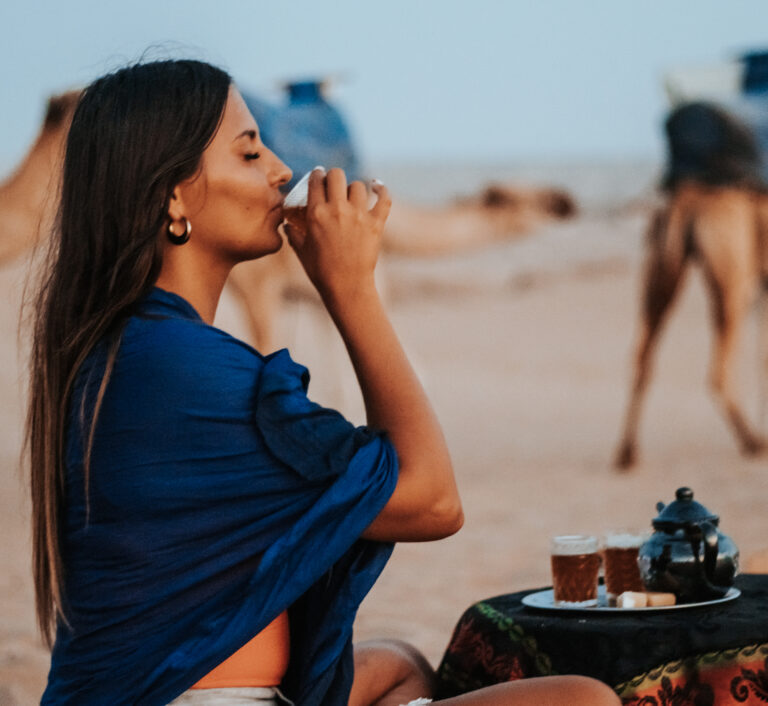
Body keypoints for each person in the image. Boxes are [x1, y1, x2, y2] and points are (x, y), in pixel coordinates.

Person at [26, 59, 620, 706]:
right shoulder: (185, 369)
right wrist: (352, 290)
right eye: (250, 153)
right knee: (585, 699)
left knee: (395, 663)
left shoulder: (129, 345)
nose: (282, 168)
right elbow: (432, 502)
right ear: (173, 195)